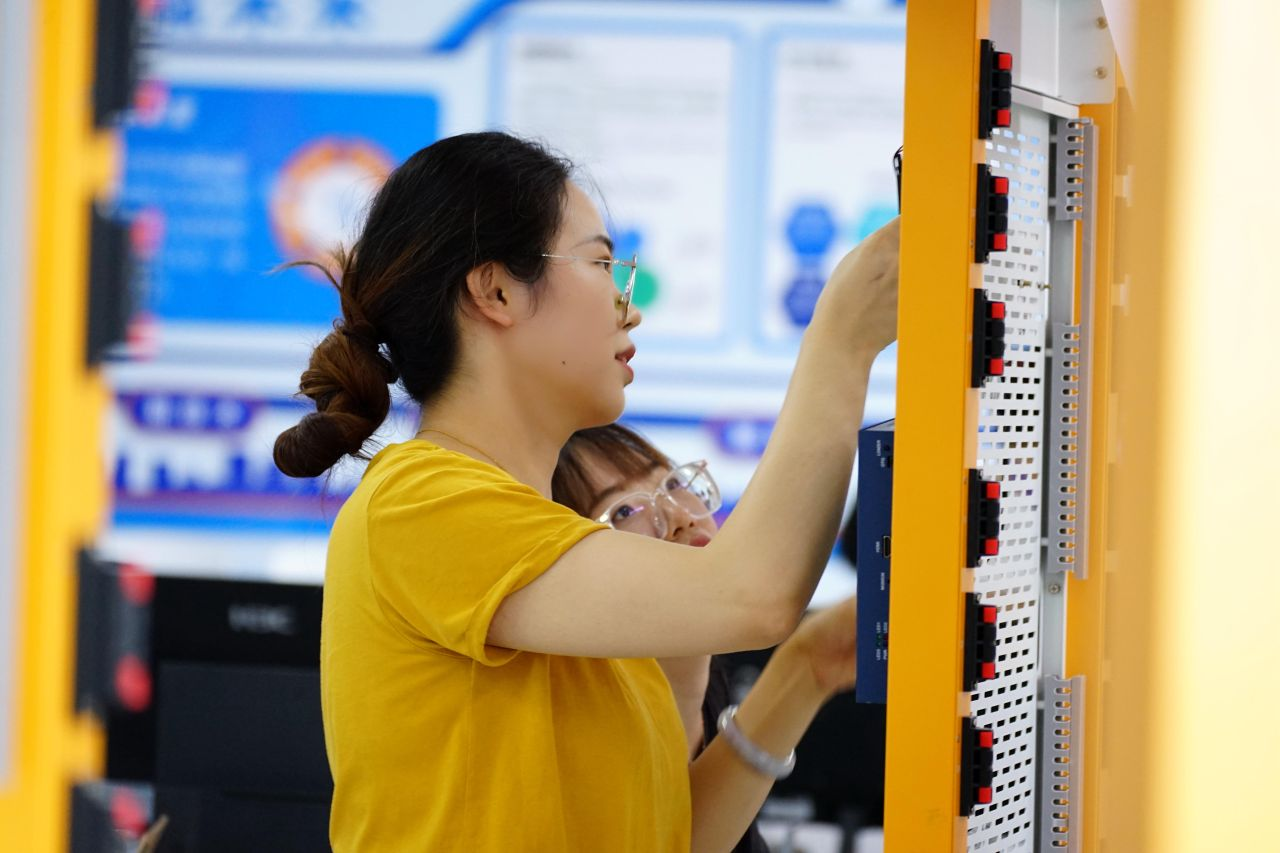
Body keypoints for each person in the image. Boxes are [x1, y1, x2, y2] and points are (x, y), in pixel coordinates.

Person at [274, 131, 898, 852]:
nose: (629, 309)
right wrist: (842, 341)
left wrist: (807, 667)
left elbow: (669, 838)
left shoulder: (563, 574)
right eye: (601, 264)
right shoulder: (417, 501)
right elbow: (754, 595)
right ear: (496, 291)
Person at [552, 423, 863, 853]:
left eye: (672, 483)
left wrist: (808, 669)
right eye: (625, 511)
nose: (682, 516)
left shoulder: (716, 690)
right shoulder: (569, 746)